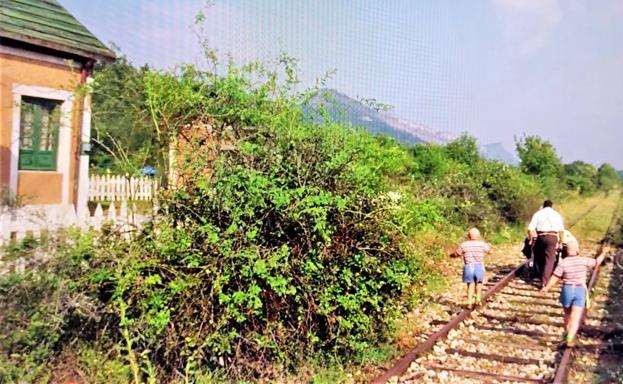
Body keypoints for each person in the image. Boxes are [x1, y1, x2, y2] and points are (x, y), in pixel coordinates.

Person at [540, 239, 607, 348]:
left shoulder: (563, 262)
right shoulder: (583, 260)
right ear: (577, 250)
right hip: (579, 290)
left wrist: (546, 288)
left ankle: (567, 332)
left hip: (567, 290)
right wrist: (604, 253)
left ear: (567, 251)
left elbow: (555, 277)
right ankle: (570, 339)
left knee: (567, 315)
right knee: (575, 318)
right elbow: (597, 262)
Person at [450, 228, 493, 310]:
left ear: (468, 236)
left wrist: (451, 255)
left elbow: (457, 254)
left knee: (470, 284)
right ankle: (477, 299)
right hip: (479, 266)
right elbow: (490, 251)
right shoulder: (482, 244)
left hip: (468, 267)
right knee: (479, 283)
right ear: (478, 236)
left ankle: (469, 302)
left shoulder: (464, 244)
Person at [528, 200, 565, 286]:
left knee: (540, 257)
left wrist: (530, 239)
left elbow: (530, 229)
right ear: (552, 206)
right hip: (552, 237)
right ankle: (544, 281)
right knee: (550, 259)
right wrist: (561, 241)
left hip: (540, 236)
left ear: (543, 206)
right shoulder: (556, 214)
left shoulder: (538, 214)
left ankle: (541, 275)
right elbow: (561, 230)